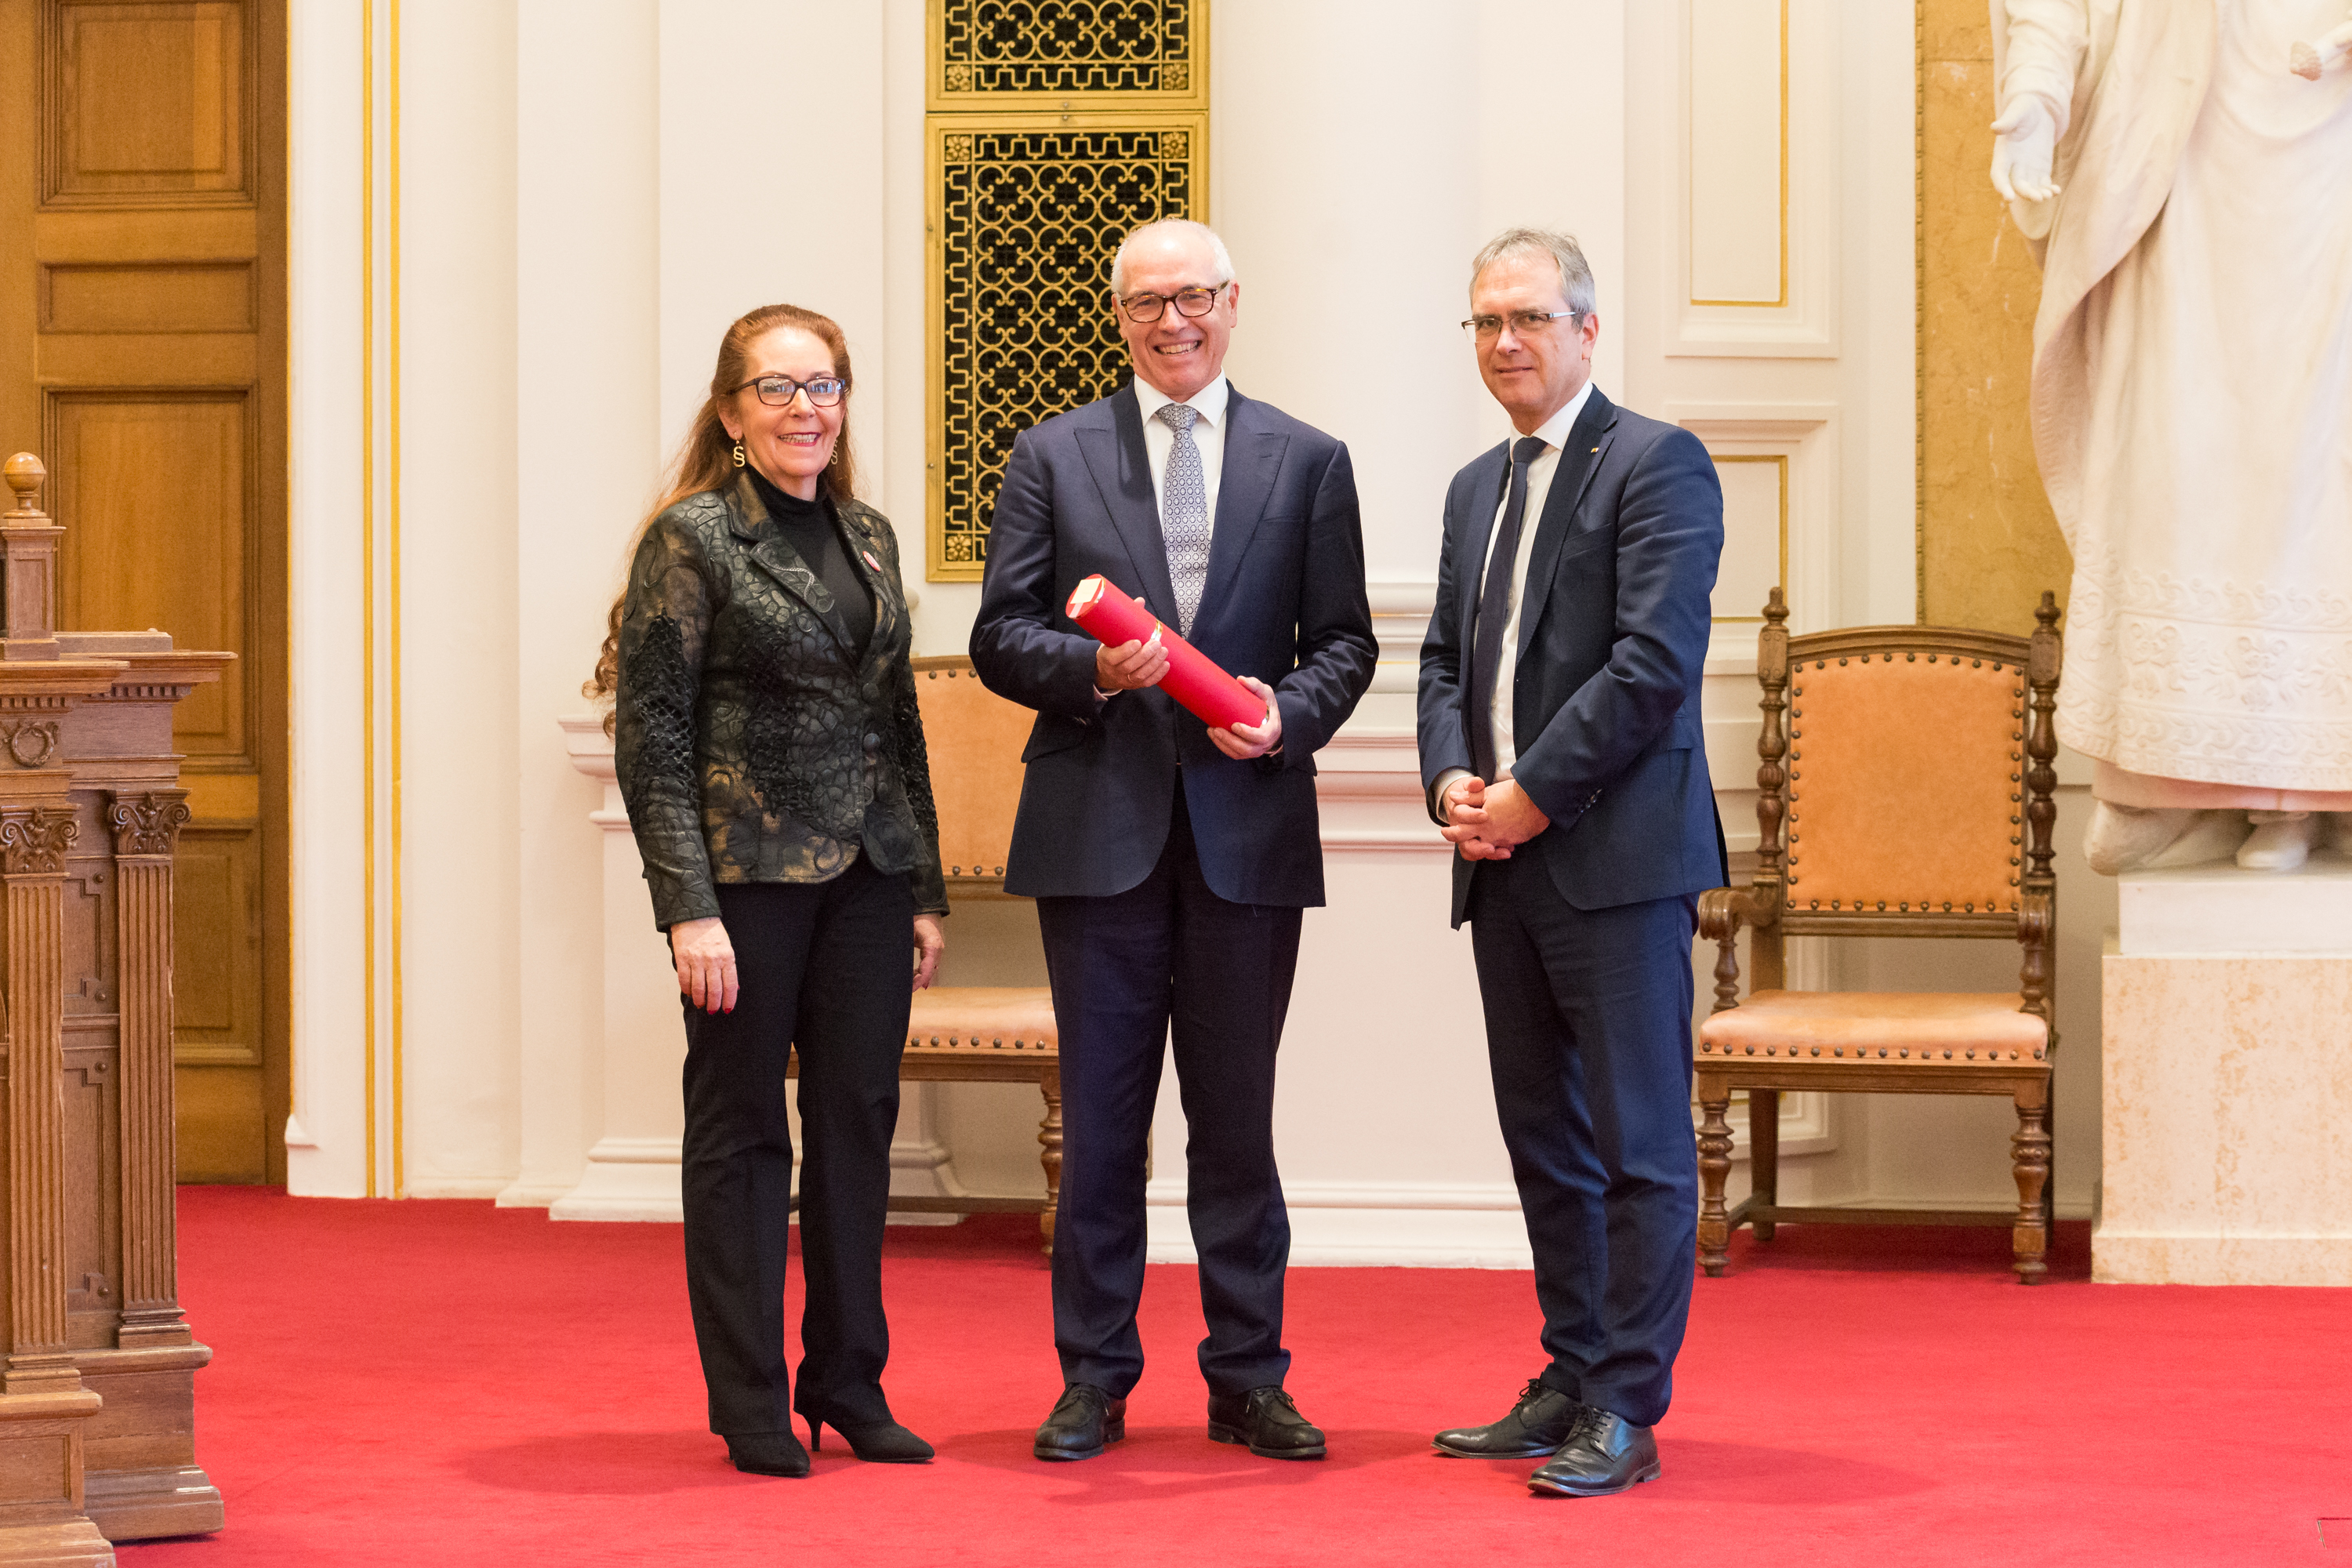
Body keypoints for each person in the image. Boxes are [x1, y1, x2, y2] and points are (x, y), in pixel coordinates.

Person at [969, 218, 1376, 1464]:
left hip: (1247, 837)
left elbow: (1347, 644)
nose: (1172, 322)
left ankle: (1249, 1376)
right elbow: (1000, 635)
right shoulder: (1052, 453)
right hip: (1099, 839)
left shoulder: (1310, 460)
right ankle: (1094, 1378)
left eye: (1193, 297)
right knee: (1100, 1127)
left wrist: (1282, 718)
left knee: (1237, 1127)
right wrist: (1091, 666)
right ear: (1121, 317)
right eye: (1148, 303)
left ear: (1234, 302)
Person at [598, 303, 949, 1479]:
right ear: (734, 412)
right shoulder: (693, 540)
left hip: (866, 880)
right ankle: (749, 1401)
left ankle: (848, 1382)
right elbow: (651, 735)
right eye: (780, 388)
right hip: (743, 887)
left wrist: (924, 888)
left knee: (857, 1130)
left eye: (827, 386)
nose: (808, 409)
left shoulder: (872, 537)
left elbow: (895, 719)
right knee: (744, 1136)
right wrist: (685, 906)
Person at [1415, 229, 1724, 1498]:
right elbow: (1444, 663)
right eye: (1487, 322)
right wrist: (1451, 781)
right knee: (1544, 1138)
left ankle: (1628, 1404)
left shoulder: (1658, 465)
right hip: (1501, 860)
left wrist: (1531, 797)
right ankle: (1570, 1368)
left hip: (1617, 861)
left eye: (1531, 319)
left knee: (1639, 1144)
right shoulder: (1472, 488)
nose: (1507, 343)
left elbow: (1652, 667)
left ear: (1588, 329)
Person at [1991, 0, 2352, 873]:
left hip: (2328, 164)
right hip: (2181, 168)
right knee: (2178, 471)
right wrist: (2035, 104)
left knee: (2319, 488)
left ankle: (2305, 800)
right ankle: (2182, 783)